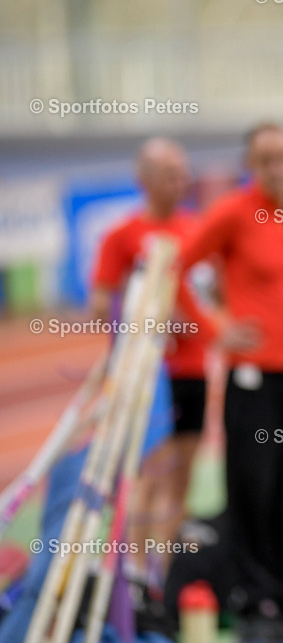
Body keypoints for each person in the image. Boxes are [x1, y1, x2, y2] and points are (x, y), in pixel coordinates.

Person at [179, 122, 283, 643]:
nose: (277, 168)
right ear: (250, 164)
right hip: (252, 379)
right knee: (253, 486)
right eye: (265, 159)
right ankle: (256, 600)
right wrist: (217, 329)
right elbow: (177, 270)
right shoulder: (232, 212)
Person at [90, 138, 209, 600]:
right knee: (149, 474)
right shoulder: (122, 236)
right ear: (144, 180)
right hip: (149, 376)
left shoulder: (197, 229)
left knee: (183, 472)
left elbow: (210, 296)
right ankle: (136, 570)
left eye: (183, 172)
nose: (179, 182)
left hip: (194, 369)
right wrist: (150, 321)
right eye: (168, 174)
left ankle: (166, 569)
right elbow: (101, 306)